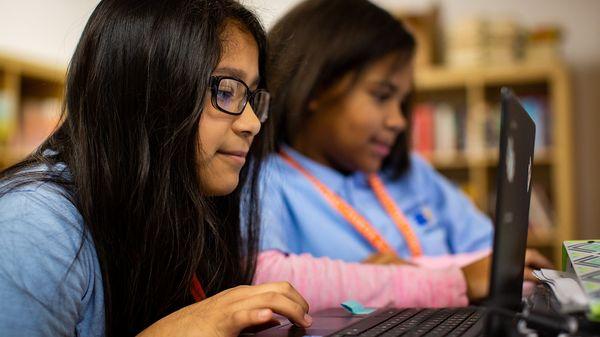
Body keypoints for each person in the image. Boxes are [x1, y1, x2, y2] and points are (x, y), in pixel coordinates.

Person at [0, 1, 312, 336]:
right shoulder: (33, 225)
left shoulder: (185, 205)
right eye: (226, 91)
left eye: (251, 97)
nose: (252, 123)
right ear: (144, 91)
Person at [253, 0, 551, 311]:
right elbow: (267, 283)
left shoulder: (412, 172)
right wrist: (452, 279)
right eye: (381, 96)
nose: (399, 120)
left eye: (402, 101)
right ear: (315, 89)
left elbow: (501, 265)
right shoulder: (266, 180)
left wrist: (407, 276)